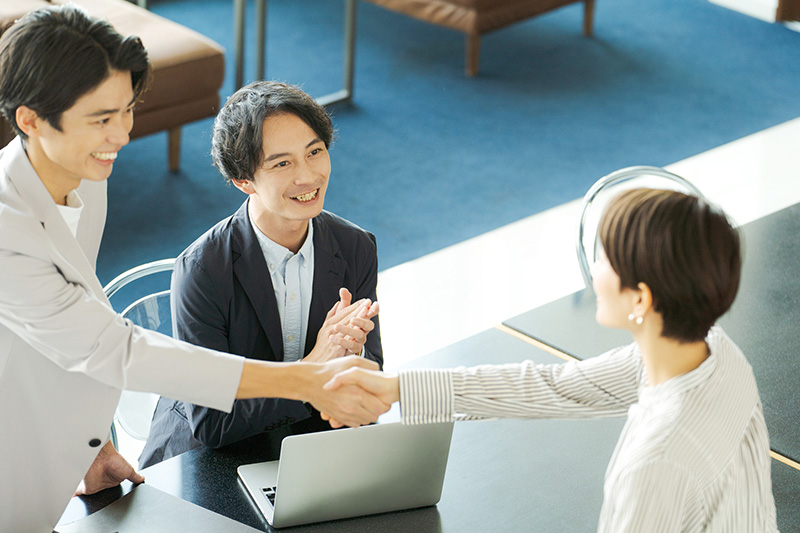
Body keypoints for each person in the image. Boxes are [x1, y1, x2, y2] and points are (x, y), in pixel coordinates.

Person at [0, 6, 387, 531]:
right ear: (30, 120)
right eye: (101, 119)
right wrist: (308, 377)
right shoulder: (7, 229)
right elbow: (115, 349)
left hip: (45, 446)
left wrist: (90, 445)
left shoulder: (82, 175)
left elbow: (62, 321)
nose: (121, 135)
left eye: (126, 111)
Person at [326, 188, 778, 531]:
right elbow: (556, 386)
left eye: (606, 259)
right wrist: (397, 388)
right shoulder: (714, 352)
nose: (594, 270)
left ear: (641, 298)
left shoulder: (656, 463)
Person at [139, 81, 383, 467]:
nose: (308, 176)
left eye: (315, 152)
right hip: (205, 462)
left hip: (303, 446)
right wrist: (313, 371)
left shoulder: (356, 247)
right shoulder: (202, 271)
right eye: (282, 163)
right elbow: (213, 424)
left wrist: (354, 355)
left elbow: (370, 380)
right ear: (243, 180)